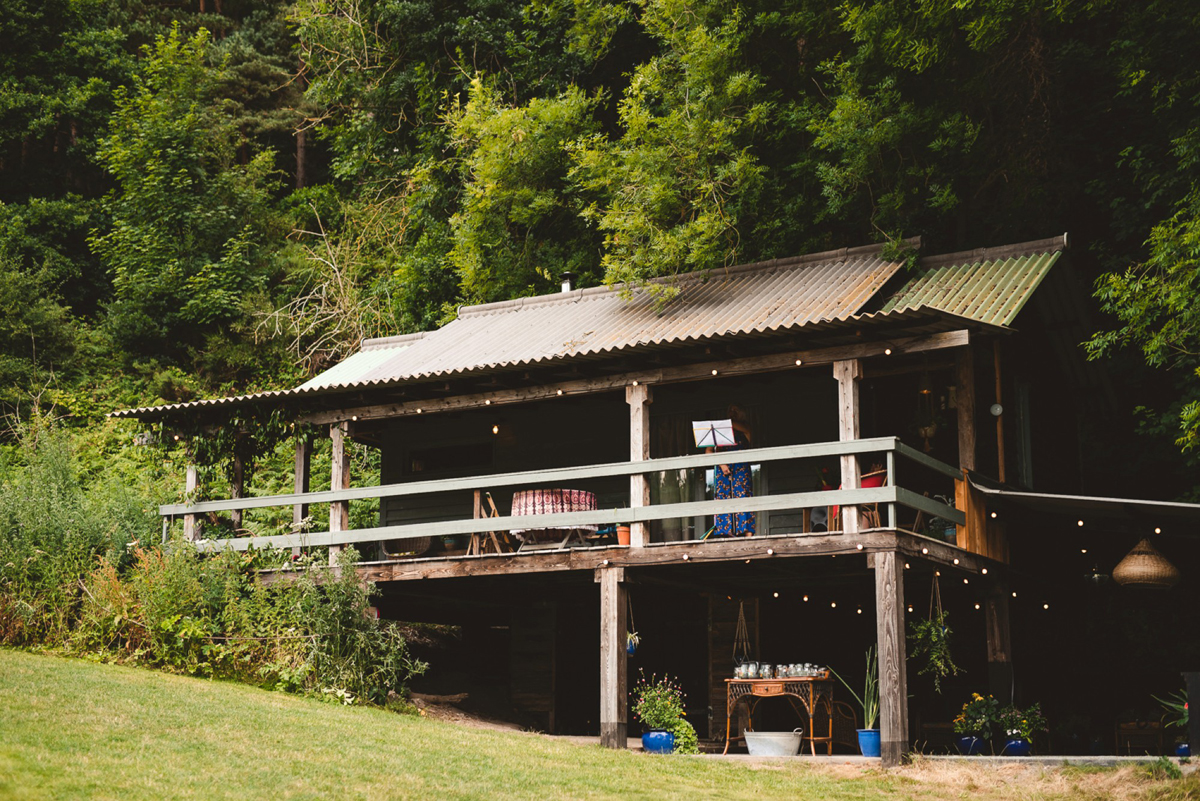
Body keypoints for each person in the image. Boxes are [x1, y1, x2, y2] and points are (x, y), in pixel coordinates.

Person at [709, 405, 755, 537]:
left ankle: (746, 532)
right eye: (730, 410)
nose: (732, 413)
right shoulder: (718, 430)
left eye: (736, 410)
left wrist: (722, 422)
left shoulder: (745, 428)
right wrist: (721, 464)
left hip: (740, 467)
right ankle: (725, 532)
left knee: (743, 495)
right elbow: (708, 451)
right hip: (723, 467)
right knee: (723, 496)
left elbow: (735, 425)